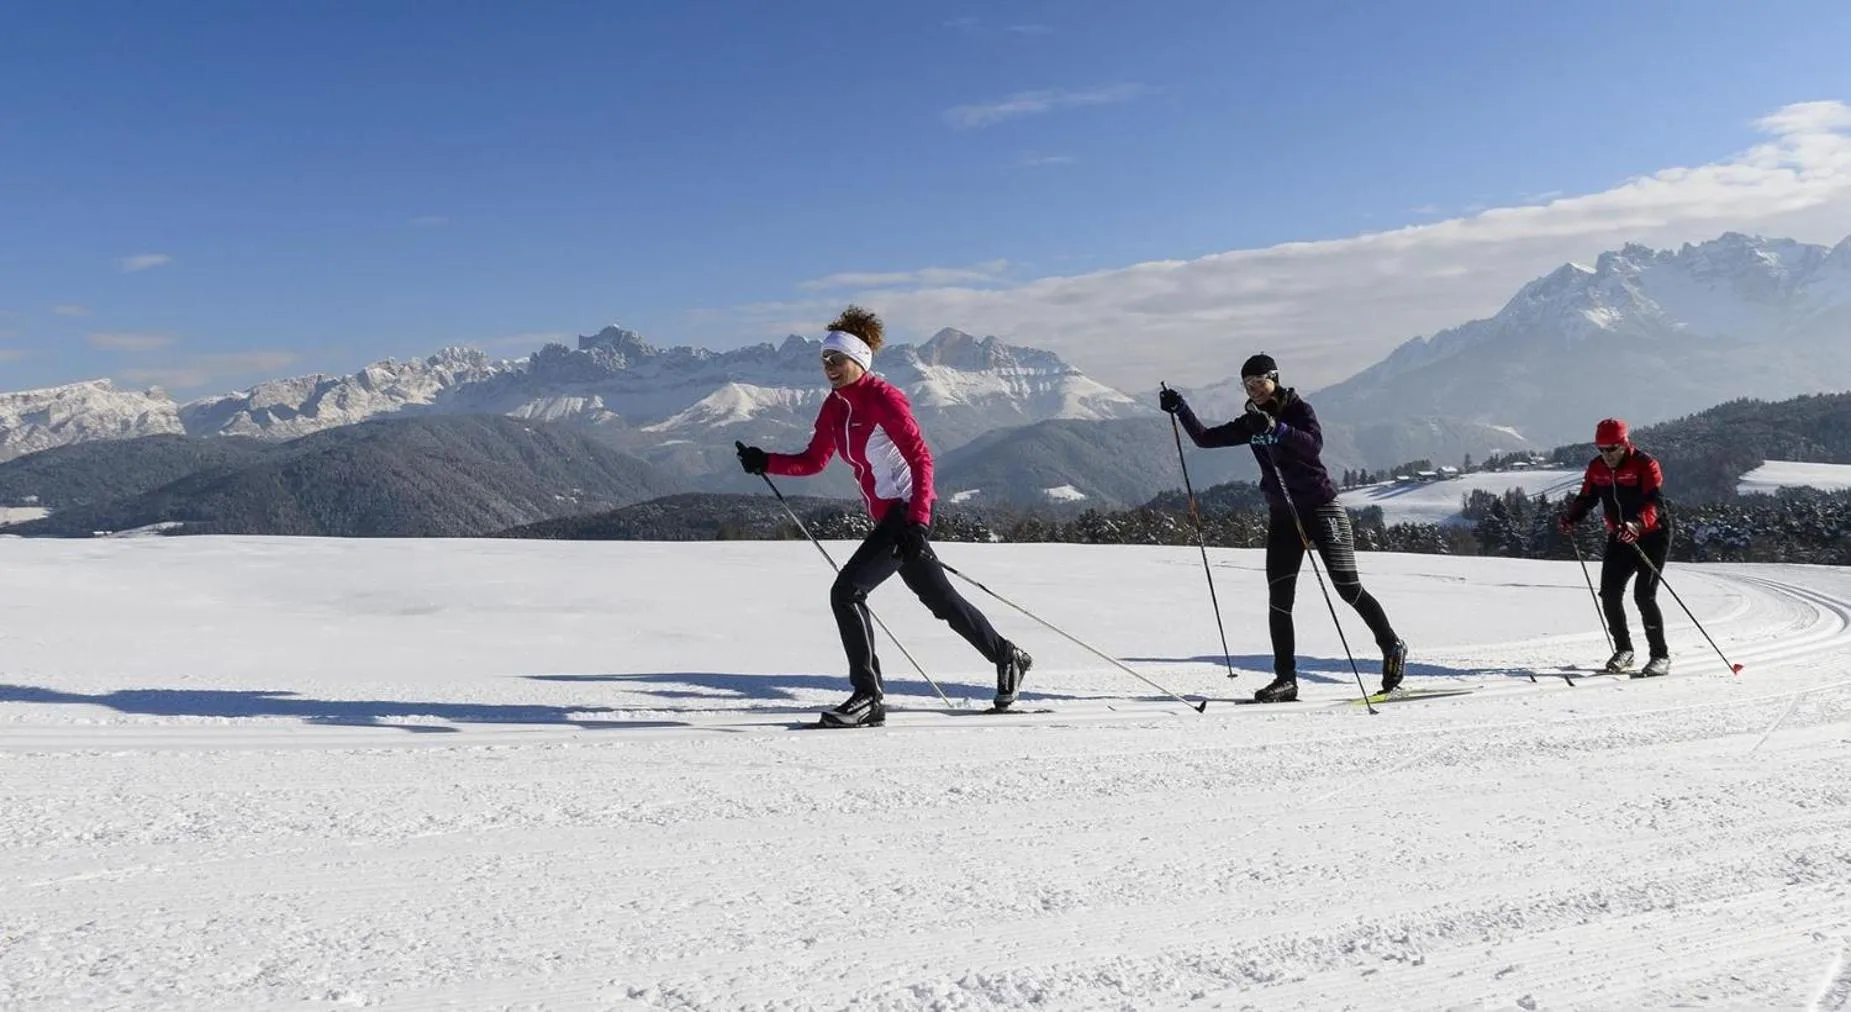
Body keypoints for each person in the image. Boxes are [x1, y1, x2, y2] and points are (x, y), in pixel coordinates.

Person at [735, 306, 1032, 727]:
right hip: (888, 517)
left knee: (846, 592)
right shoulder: (835, 407)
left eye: (836, 360)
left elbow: (920, 459)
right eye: (824, 360)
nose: (829, 367)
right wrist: (766, 460)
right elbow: (815, 460)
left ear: (859, 360)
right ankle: (1008, 656)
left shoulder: (883, 399)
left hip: (904, 514)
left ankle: (868, 697)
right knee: (941, 600)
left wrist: (918, 521)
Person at [1159, 353, 1407, 703]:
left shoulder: (1298, 410)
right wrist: (1180, 407)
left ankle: (1392, 645)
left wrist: (1276, 429)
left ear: (1275, 378)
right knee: (1279, 597)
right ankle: (1285, 679)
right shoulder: (1250, 422)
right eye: (1248, 385)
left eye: (1260, 382)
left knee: (1347, 587)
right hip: (1283, 515)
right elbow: (1204, 439)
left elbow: (1313, 445)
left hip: (1322, 509)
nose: (1255, 389)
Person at [1557, 418, 1672, 677]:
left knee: (1644, 595)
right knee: (1609, 594)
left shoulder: (1645, 464)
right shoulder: (1596, 468)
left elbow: (1656, 503)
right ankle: (1624, 650)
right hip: (1620, 535)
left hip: (1652, 535)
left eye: (1611, 449)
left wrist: (1637, 525)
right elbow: (1587, 497)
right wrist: (1571, 518)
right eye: (1601, 449)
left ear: (1624, 443)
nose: (1606, 455)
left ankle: (1660, 656)